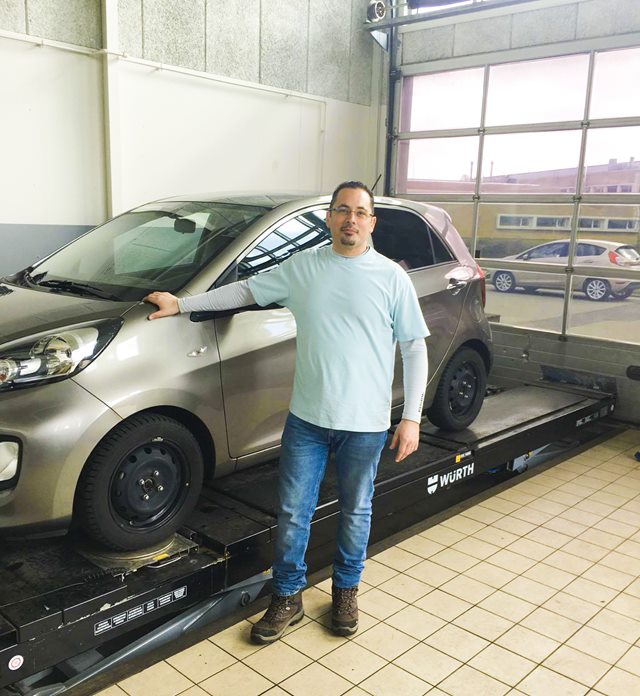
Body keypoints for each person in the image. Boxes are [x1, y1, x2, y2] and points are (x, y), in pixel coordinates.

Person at [144, 181, 429, 644]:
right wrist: (182, 304)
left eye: (360, 212)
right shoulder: (303, 267)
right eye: (342, 210)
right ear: (329, 218)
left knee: (356, 511)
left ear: (371, 222)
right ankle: (287, 595)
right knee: (294, 513)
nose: (351, 219)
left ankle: (345, 591)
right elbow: (243, 292)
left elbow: (415, 349)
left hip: (367, 424)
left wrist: (411, 417)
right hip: (308, 421)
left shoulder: (391, 278)